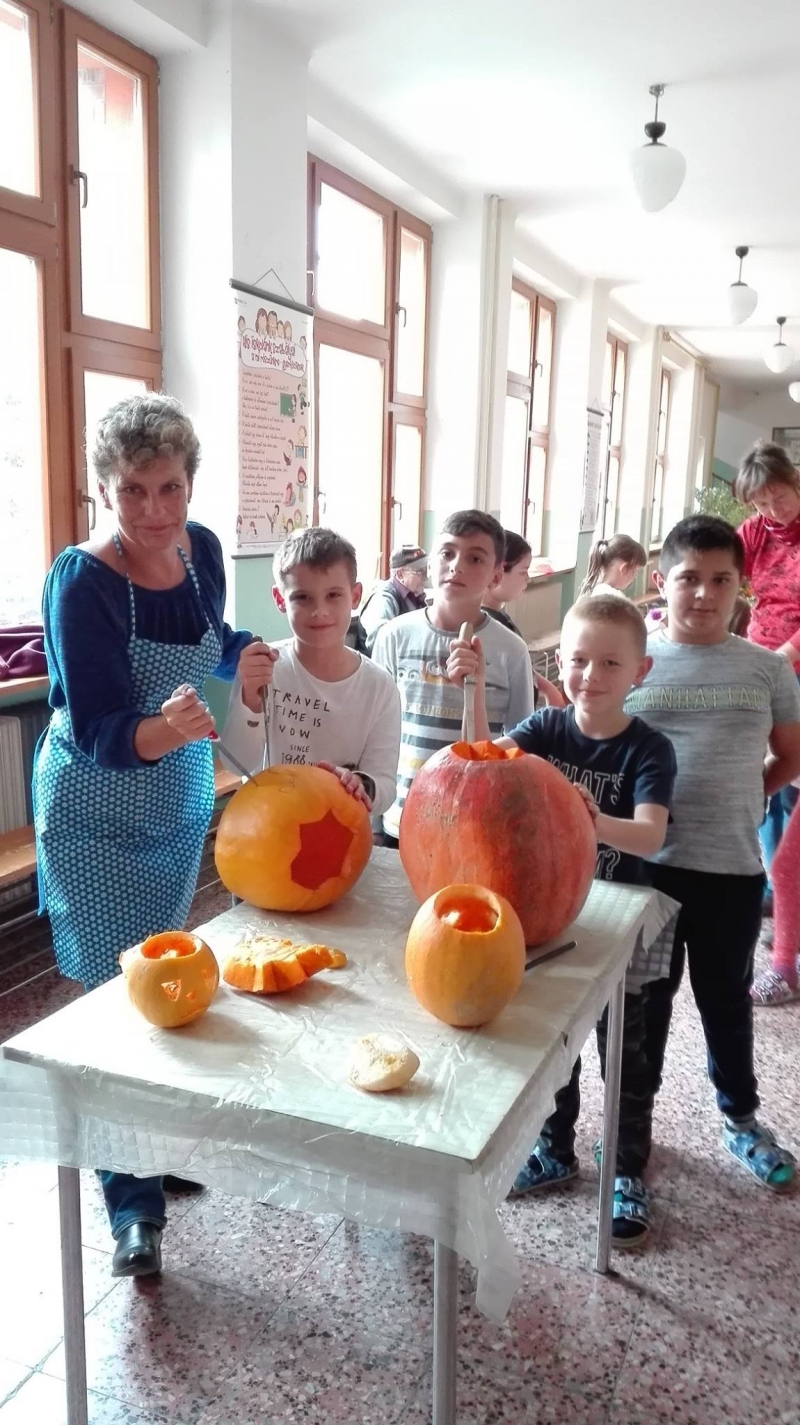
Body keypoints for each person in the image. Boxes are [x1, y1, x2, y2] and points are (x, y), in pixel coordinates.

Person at [34, 393, 259, 1278]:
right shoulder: (81, 581)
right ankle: (132, 1205)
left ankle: (151, 1147)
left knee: (166, 987)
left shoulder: (202, 552)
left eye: (169, 487)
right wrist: (168, 727)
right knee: (114, 1007)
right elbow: (96, 728)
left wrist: (247, 656)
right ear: (103, 490)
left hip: (174, 806)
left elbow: (213, 642)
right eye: (133, 489)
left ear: (190, 484)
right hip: (94, 815)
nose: (155, 509)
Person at [626, 515, 800, 1190]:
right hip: (650, 872)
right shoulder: (633, 661)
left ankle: (741, 1117)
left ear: (740, 585)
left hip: (731, 870)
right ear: (660, 581)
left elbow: (790, 755)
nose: (704, 593)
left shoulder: (766, 669)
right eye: (689, 578)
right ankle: (632, 1131)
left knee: (726, 999)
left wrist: (747, 795)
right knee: (648, 1005)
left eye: (721, 580)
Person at [496, 596, 676, 1244]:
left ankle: (626, 1168)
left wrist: (591, 820)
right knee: (557, 1048)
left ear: (640, 671)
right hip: (554, 918)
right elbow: (482, 765)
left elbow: (652, 835)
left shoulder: (649, 749)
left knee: (623, 1054)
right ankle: (554, 1150)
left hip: (622, 922)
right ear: (559, 663)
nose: (590, 675)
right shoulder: (544, 729)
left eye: (609, 663)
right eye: (577, 660)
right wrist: (469, 688)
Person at [371, 510, 534, 845]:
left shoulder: (511, 650)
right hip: (400, 819)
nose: (457, 565)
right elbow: (373, 732)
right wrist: (373, 821)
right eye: (447, 553)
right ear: (430, 564)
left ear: (495, 576)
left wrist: (473, 689)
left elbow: (520, 746)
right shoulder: (394, 636)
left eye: (475, 558)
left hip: (473, 823)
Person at [219, 528, 401, 815]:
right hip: (265, 827)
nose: (319, 611)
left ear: (355, 596)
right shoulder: (262, 669)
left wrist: (362, 784)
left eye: (333, 595)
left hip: (339, 829)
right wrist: (250, 701)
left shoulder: (380, 687)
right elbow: (237, 764)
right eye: (302, 597)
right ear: (280, 599)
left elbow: (385, 785)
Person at [734, 441, 800, 997]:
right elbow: (722, 569)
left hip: (791, 665)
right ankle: (778, 892)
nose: (772, 510)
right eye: (760, 503)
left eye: (779, 496)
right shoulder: (755, 532)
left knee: (792, 775)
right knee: (769, 784)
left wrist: (785, 656)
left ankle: (787, 885)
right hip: (763, 663)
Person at [356, 544, 429, 654]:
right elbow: (380, 641)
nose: (425, 578)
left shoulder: (415, 596)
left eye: (426, 571)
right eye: (419, 572)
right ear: (400, 574)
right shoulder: (383, 599)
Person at [482, 531, 531, 636]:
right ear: (496, 575)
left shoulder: (496, 617)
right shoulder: (490, 629)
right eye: (523, 572)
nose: (528, 579)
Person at [578, 533, 647, 598]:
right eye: (635, 571)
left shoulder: (593, 591)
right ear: (624, 568)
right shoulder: (615, 598)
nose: (635, 576)